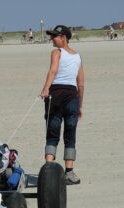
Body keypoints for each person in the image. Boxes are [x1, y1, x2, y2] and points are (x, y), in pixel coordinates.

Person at [40, 25, 84, 185]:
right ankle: (69, 173)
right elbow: (81, 84)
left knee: (52, 134)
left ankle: (49, 170)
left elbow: (53, 70)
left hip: (56, 95)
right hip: (72, 97)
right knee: (70, 135)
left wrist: (45, 88)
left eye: (55, 36)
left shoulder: (57, 52)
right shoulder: (78, 56)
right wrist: (80, 105)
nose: (52, 39)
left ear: (63, 38)